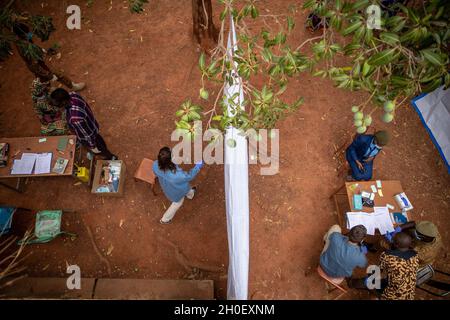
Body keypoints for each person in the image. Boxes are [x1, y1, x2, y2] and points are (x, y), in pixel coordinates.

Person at [13, 23, 85, 91]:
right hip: (38, 66)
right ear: (22, 34)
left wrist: (41, 50)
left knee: (46, 82)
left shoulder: (21, 41)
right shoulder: (25, 48)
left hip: (38, 63)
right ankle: (72, 87)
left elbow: (34, 49)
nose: (30, 33)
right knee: (55, 76)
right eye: (27, 32)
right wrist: (48, 75)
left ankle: (71, 87)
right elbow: (34, 66)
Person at [49, 88, 117, 159]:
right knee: (99, 141)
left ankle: (111, 157)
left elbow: (88, 135)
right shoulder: (73, 95)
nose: (56, 108)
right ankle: (105, 153)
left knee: (100, 148)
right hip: (92, 125)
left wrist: (92, 146)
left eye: (57, 106)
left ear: (63, 103)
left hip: (90, 136)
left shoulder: (75, 119)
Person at [152, 147, 202, 224]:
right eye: (171, 153)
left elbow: (156, 173)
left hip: (166, 186)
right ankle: (165, 219)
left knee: (188, 189)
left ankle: (190, 195)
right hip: (176, 192)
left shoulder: (155, 164)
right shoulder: (177, 175)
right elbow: (189, 176)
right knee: (177, 203)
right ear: (169, 161)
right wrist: (197, 167)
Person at [379, 232, 419, 300]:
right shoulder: (415, 255)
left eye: (393, 240)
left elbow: (381, 269)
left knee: (372, 274)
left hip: (393, 294)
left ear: (396, 245)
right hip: (409, 294)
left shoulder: (387, 255)